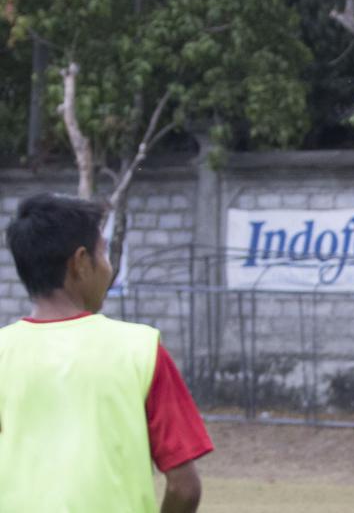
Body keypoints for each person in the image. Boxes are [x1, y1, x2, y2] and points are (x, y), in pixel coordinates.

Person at [0, 193, 214, 513]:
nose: (108, 268)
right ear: (81, 262)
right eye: (105, 253)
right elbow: (184, 488)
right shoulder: (140, 351)